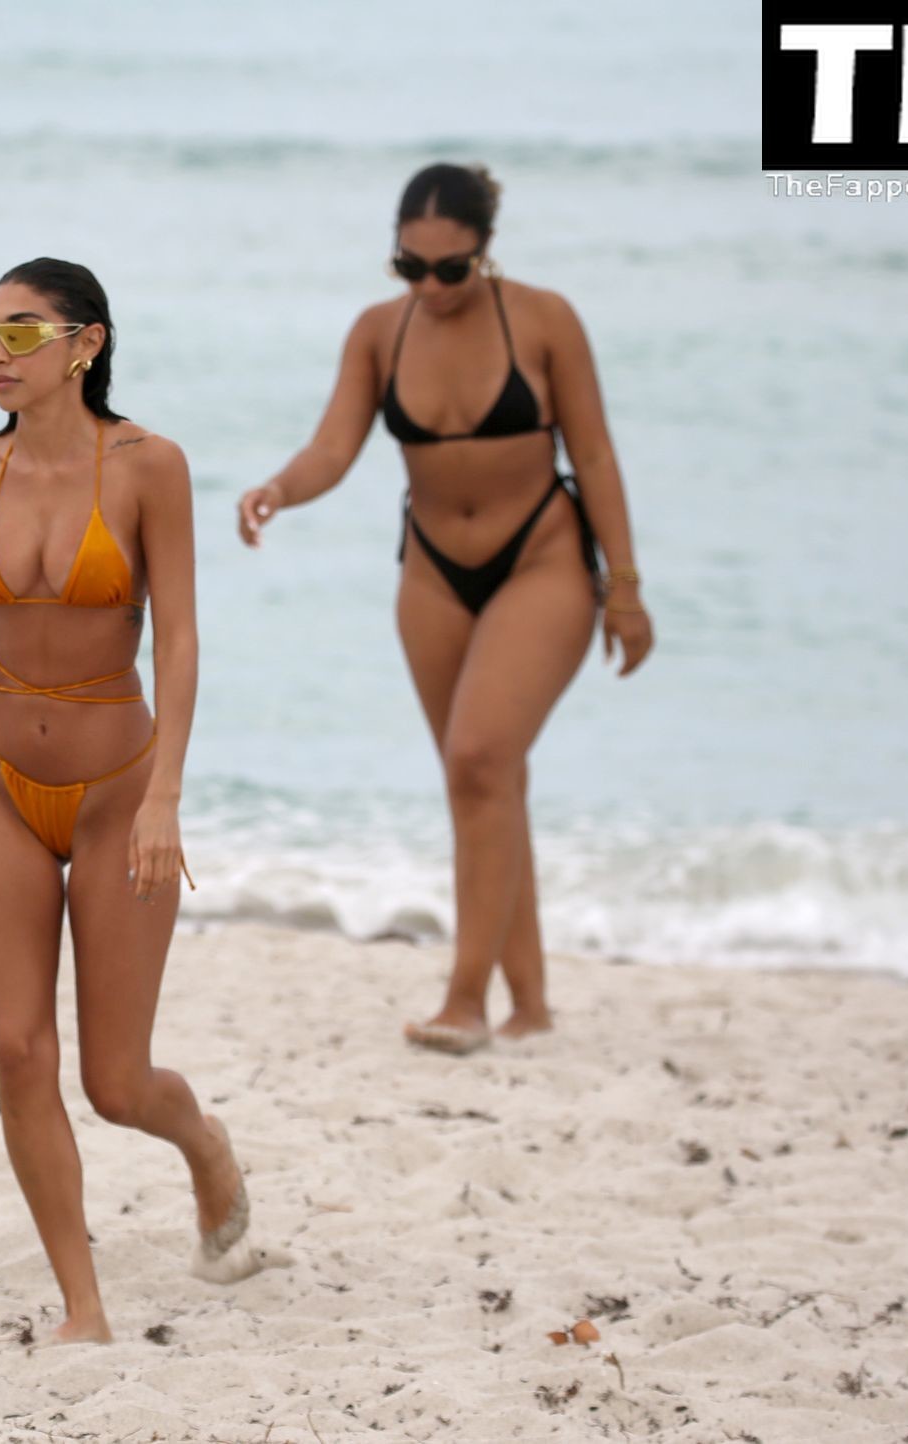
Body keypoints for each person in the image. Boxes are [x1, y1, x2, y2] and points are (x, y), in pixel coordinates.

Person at [237, 164, 654, 1053]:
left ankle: (465, 1001)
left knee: (478, 760)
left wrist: (625, 589)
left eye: (451, 269)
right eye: (410, 266)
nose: (430, 286)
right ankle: (530, 1004)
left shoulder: (544, 320)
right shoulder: (377, 333)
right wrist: (279, 489)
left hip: (541, 558)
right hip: (431, 573)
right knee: (482, 783)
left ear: (486, 251)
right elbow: (333, 447)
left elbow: (596, 455)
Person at [0, 258, 260, 1344]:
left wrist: (167, 794)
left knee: (116, 1082)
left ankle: (204, 1146)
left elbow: (182, 638)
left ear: (87, 344)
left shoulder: (149, 467)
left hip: (119, 794)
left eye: (22, 332)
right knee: (19, 1051)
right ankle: (84, 1305)